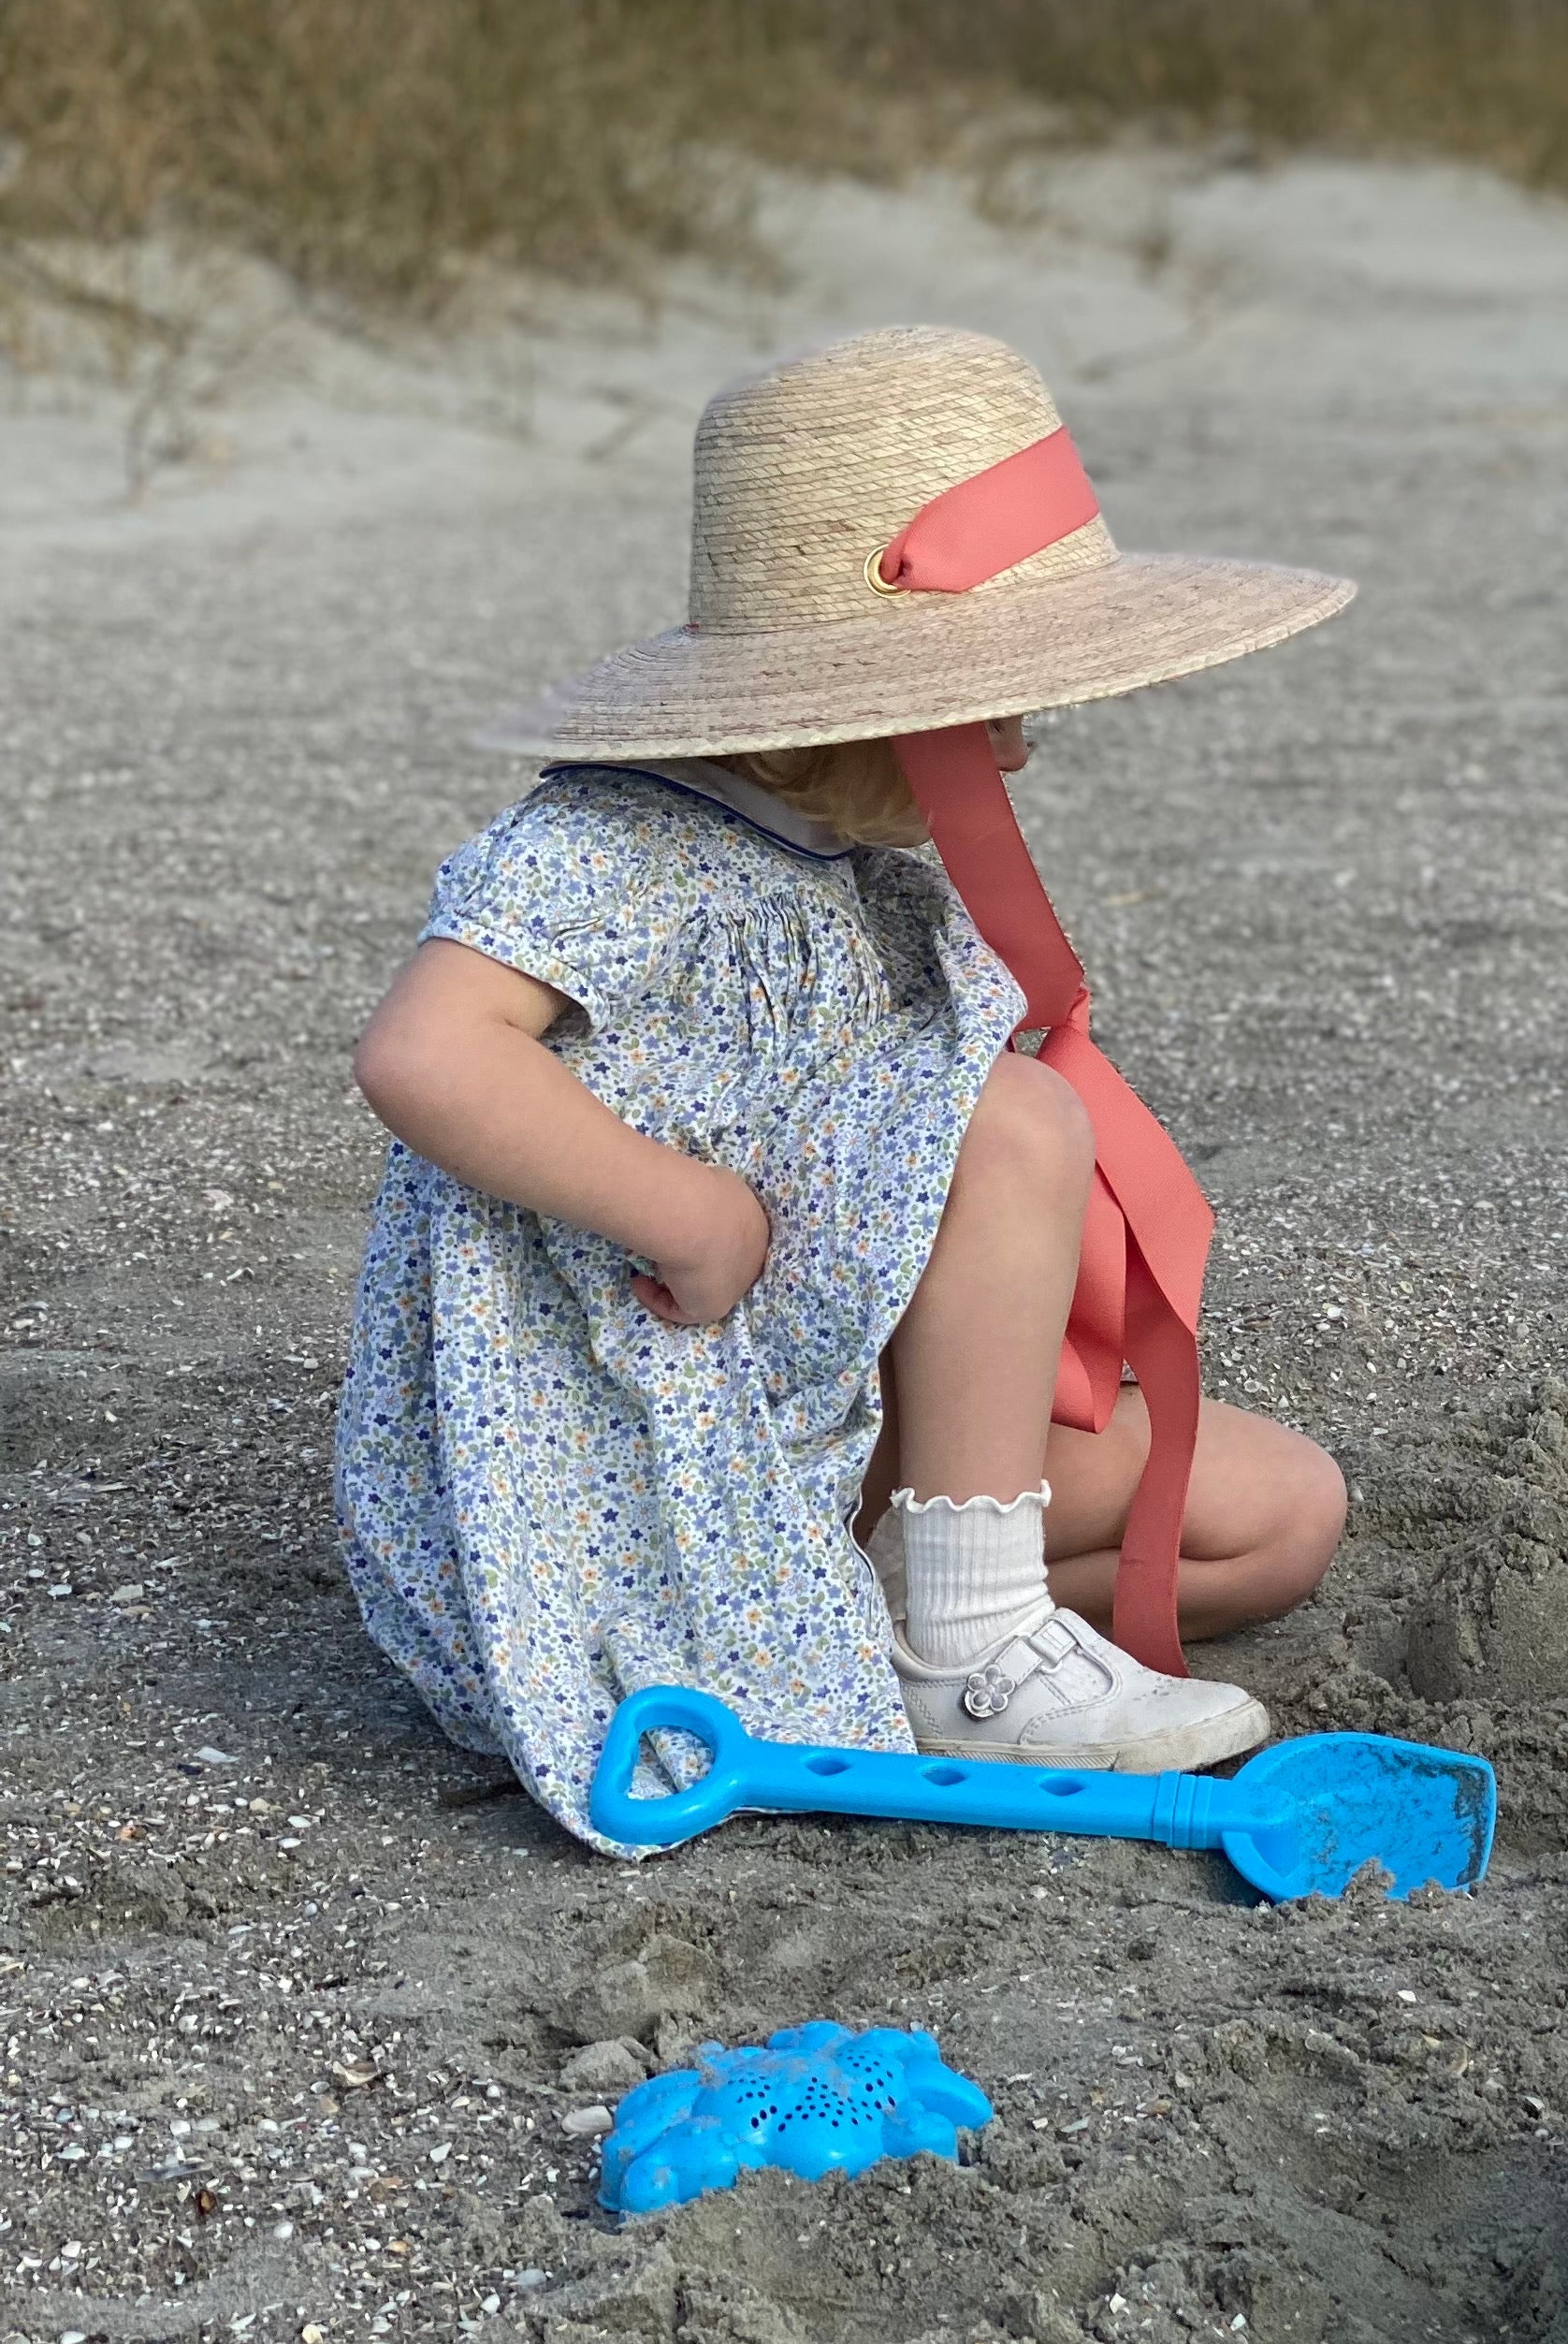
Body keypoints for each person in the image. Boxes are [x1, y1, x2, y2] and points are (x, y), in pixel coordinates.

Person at [336, 324, 1354, 1850]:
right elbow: (424, 1048)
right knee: (1013, 1122)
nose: (1021, 745)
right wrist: (678, 1210)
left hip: (807, 1421)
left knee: (1276, 1515)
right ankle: (966, 1648)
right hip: (620, 1447)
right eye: (993, 695)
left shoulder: (851, 876)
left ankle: (910, 1605)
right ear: (840, 700)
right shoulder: (610, 850)